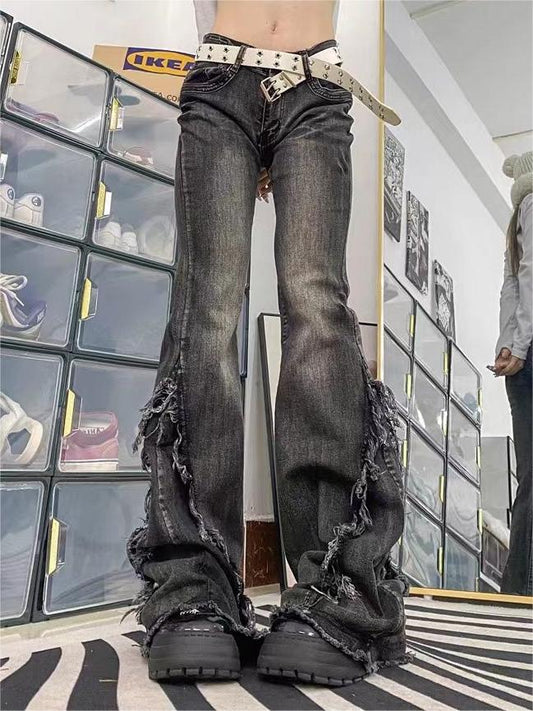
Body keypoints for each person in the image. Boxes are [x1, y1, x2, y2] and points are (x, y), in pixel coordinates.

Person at [123, 0, 409, 686]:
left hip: (317, 87)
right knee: (206, 309)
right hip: (218, 81)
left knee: (316, 307)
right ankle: (193, 582)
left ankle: (336, 587)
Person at [493, 150, 532, 596]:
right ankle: (521, 590)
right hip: (528, 351)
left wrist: (510, 344)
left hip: (525, 352)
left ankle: (519, 590)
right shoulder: (531, 205)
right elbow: (525, 278)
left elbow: (516, 284)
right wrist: (515, 345)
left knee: (530, 477)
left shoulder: (523, 210)